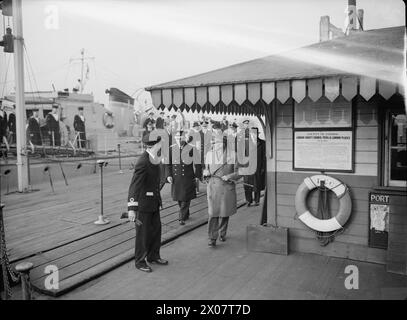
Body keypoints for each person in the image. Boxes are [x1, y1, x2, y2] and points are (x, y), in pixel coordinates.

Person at [127, 131, 168, 273]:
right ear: (154, 145)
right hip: (143, 205)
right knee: (143, 234)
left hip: (153, 203)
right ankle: (139, 261)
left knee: (156, 231)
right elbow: (134, 185)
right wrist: (132, 208)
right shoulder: (143, 162)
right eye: (160, 143)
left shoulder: (154, 158)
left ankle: (153, 256)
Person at [203, 121, 241, 247]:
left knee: (224, 213)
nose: (215, 145)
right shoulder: (209, 155)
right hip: (213, 187)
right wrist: (206, 172)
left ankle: (222, 233)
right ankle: (212, 238)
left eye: (218, 143)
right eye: (214, 142)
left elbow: (239, 172)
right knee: (213, 213)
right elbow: (205, 172)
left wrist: (229, 176)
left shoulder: (233, 155)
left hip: (226, 187)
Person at [166, 130, 201, 225]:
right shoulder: (171, 149)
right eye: (177, 138)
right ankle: (186, 213)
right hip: (176, 178)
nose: (179, 139)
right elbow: (168, 164)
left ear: (185, 137)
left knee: (185, 198)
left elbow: (198, 163)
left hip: (188, 177)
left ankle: (181, 217)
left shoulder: (191, 148)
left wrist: (197, 176)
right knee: (179, 199)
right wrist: (168, 175)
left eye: (181, 137)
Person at [243, 127, 266, 206]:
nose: (254, 135)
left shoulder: (262, 143)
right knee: (247, 184)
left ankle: (257, 200)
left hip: (258, 167)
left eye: (255, 133)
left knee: (257, 184)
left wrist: (263, 167)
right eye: (253, 133)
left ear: (258, 134)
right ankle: (248, 201)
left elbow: (264, 156)